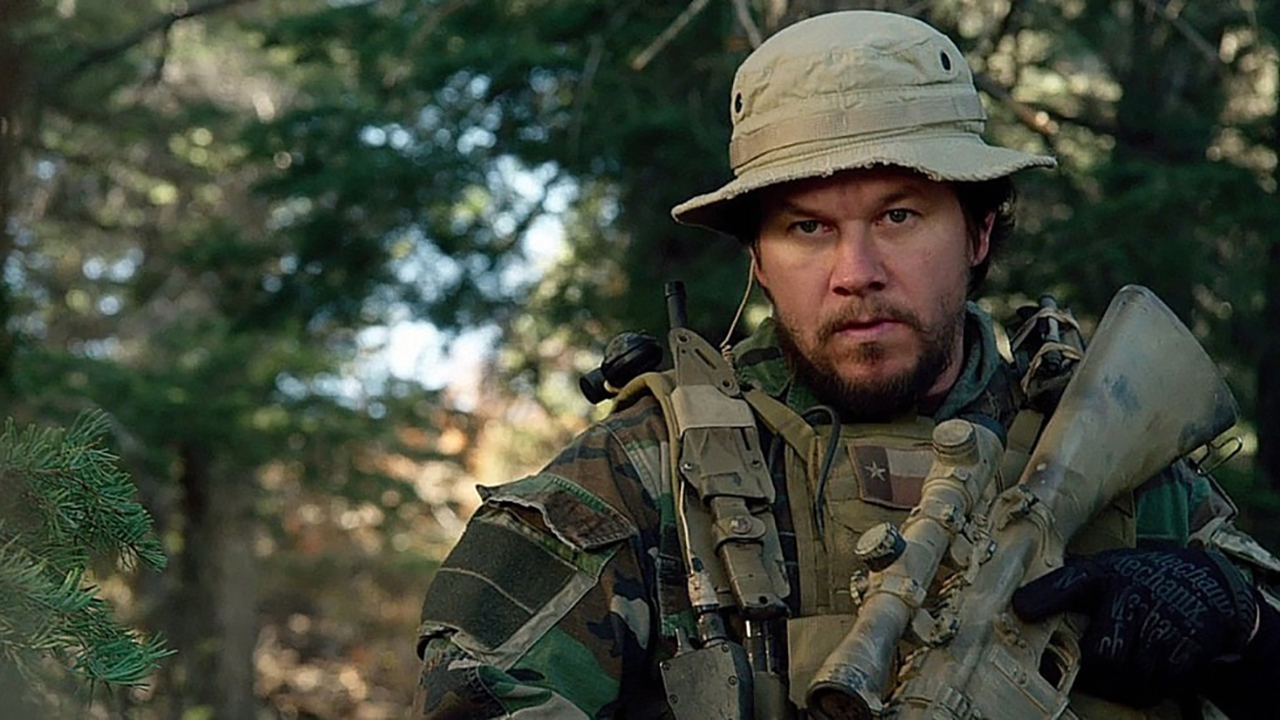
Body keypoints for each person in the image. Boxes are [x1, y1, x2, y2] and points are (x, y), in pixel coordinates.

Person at [412, 11, 1279, 719]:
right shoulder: (648, 475)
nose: (856, 272)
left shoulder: (1118, 460)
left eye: (900, 216)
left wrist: (1243, 632)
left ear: (979, 232)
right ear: (757, 260)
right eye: (807, 227)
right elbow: (475, 693)